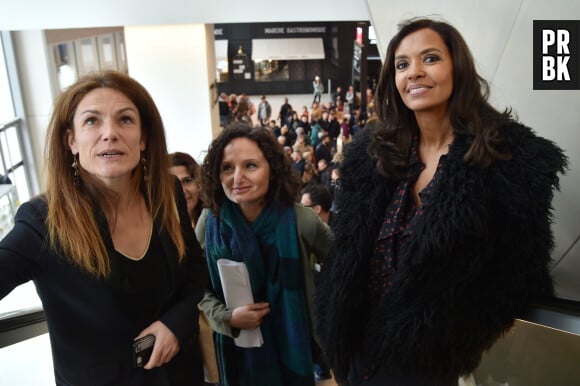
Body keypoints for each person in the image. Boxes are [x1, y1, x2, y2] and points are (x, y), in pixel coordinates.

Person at [316, 17, 567, 386]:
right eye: (402, 64)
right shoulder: (372, 157)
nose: (414, 72)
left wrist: (455, 343)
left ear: (457, 68)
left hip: (439, 367)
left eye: (430, 58)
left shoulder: (507, 160)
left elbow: (521, 274)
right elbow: (346, 259)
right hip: (360, 357)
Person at [0, 71, 208, 385]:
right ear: (71, 140)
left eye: (125, 120)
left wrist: (176, 323)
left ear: (143, 138)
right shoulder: (43, 222)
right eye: (92, 121)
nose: (109, 133)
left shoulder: (166, 191)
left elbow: (194, 268)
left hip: (179, 374)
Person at [196, 122, 332, 386]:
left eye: (250, 165)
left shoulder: (300, 220)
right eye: (227, 168)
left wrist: (322, 313)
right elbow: (195, 284)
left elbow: (343, 267)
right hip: (235, 352)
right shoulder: (208, 222)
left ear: (273, 169)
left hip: (292, 349)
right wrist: (226, 317)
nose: (237, 178)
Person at [169, 152, 204, 229]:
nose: (182, 191)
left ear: (199, 183)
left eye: (187, 181)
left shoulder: (215, 222)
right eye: (173, 184)